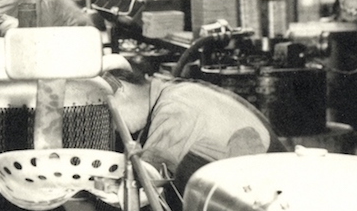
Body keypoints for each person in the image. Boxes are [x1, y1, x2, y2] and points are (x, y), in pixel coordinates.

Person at [105, 65, 274, 189]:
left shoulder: (173, 107)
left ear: (122, 89)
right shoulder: (170, 92)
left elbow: (149, 173)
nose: (112, 126)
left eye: (108, 111)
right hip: (250, 178)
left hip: (267, 185)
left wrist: (111, 184)